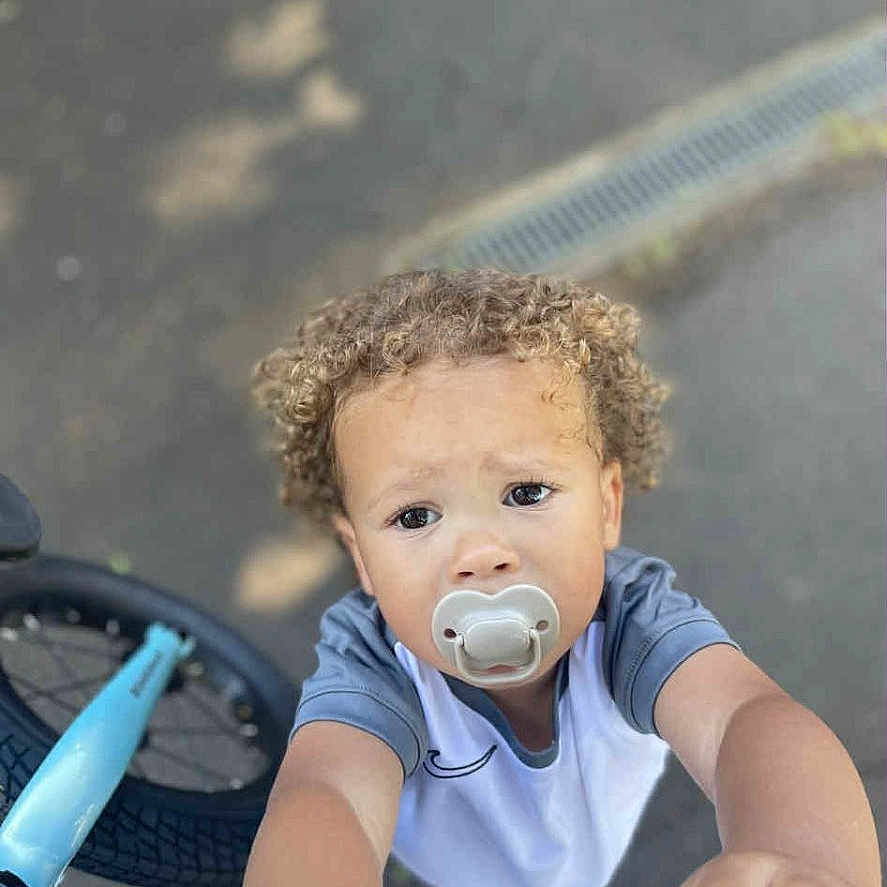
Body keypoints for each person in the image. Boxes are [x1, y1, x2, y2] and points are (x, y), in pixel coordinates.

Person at [243, 268, 880, 887]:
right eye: (414, 515)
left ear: (606, 505)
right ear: (359, 558)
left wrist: (799, 857)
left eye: (524, 493)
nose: (482, 553)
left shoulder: (632, 618)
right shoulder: (376, 663)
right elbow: (328, 795)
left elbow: (744, 715)